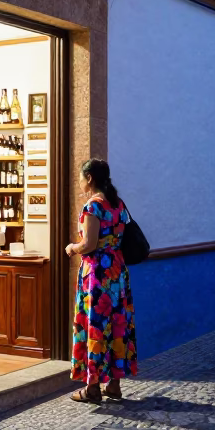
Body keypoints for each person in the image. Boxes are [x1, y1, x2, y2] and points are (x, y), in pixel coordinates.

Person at [65, 158, 138, 403]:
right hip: (118, 272)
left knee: (95, 325)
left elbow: (89, 244)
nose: (78, 180)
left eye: (80, 176)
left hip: (97, 276)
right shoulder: (118, 204)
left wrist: (72, 248)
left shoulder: (93, 207)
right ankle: (114, 384)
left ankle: (93, 387)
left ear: (89, 178)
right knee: (117, 324)